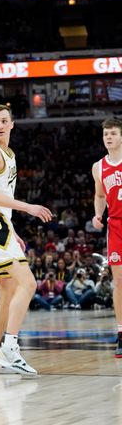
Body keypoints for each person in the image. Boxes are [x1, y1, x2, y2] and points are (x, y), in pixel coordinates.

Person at [0, 104, 52, 377]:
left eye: (4, 120)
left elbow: (0, 198)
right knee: (28, 283)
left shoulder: (9, 153)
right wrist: (27, 207)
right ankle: (10, 347)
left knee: (6, 292)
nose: (0, 125)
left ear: (12, 124)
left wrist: (12, 228)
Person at [91, 118, 122, 356]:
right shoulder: (98, 167)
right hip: (116, 226)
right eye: (105, 134)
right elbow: (100, 195)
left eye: (112, 133)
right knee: (119, 282)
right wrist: (97, 215)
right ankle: (121, 333)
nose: (108, 137)